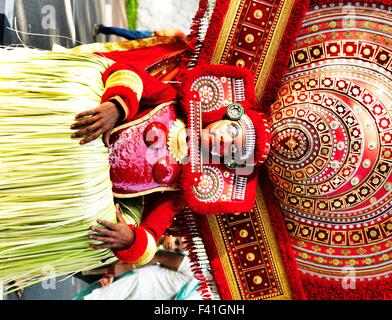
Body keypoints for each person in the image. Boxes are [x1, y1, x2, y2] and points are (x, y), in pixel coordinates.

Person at [68, 33, 272, 267]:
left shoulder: (180, 185)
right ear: (229, 116)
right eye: (233, 132)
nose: (226, 141)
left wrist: (131, 239)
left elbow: (152, 234)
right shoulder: (171, 102)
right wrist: (117, 106)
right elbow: (130, 75)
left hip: (77, 185)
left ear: (228, 162)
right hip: (73, 127)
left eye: (234, 151)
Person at [74, 236, 201, 300]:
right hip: (134, 282)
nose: (174, 247)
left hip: (142, 295)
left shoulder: (203, 289)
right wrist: (124, 269)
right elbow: (159, 256)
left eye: (177, 247)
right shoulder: (195, 267)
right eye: (177, 243)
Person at [93, 23, 187, 41]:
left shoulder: (181, 36)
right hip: (148, 38)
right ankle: (100, 28)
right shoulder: (180, 35)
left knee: (123, 33)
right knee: (123, 32)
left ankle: (101, 29)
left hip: (149, 36)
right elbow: (162, 33)